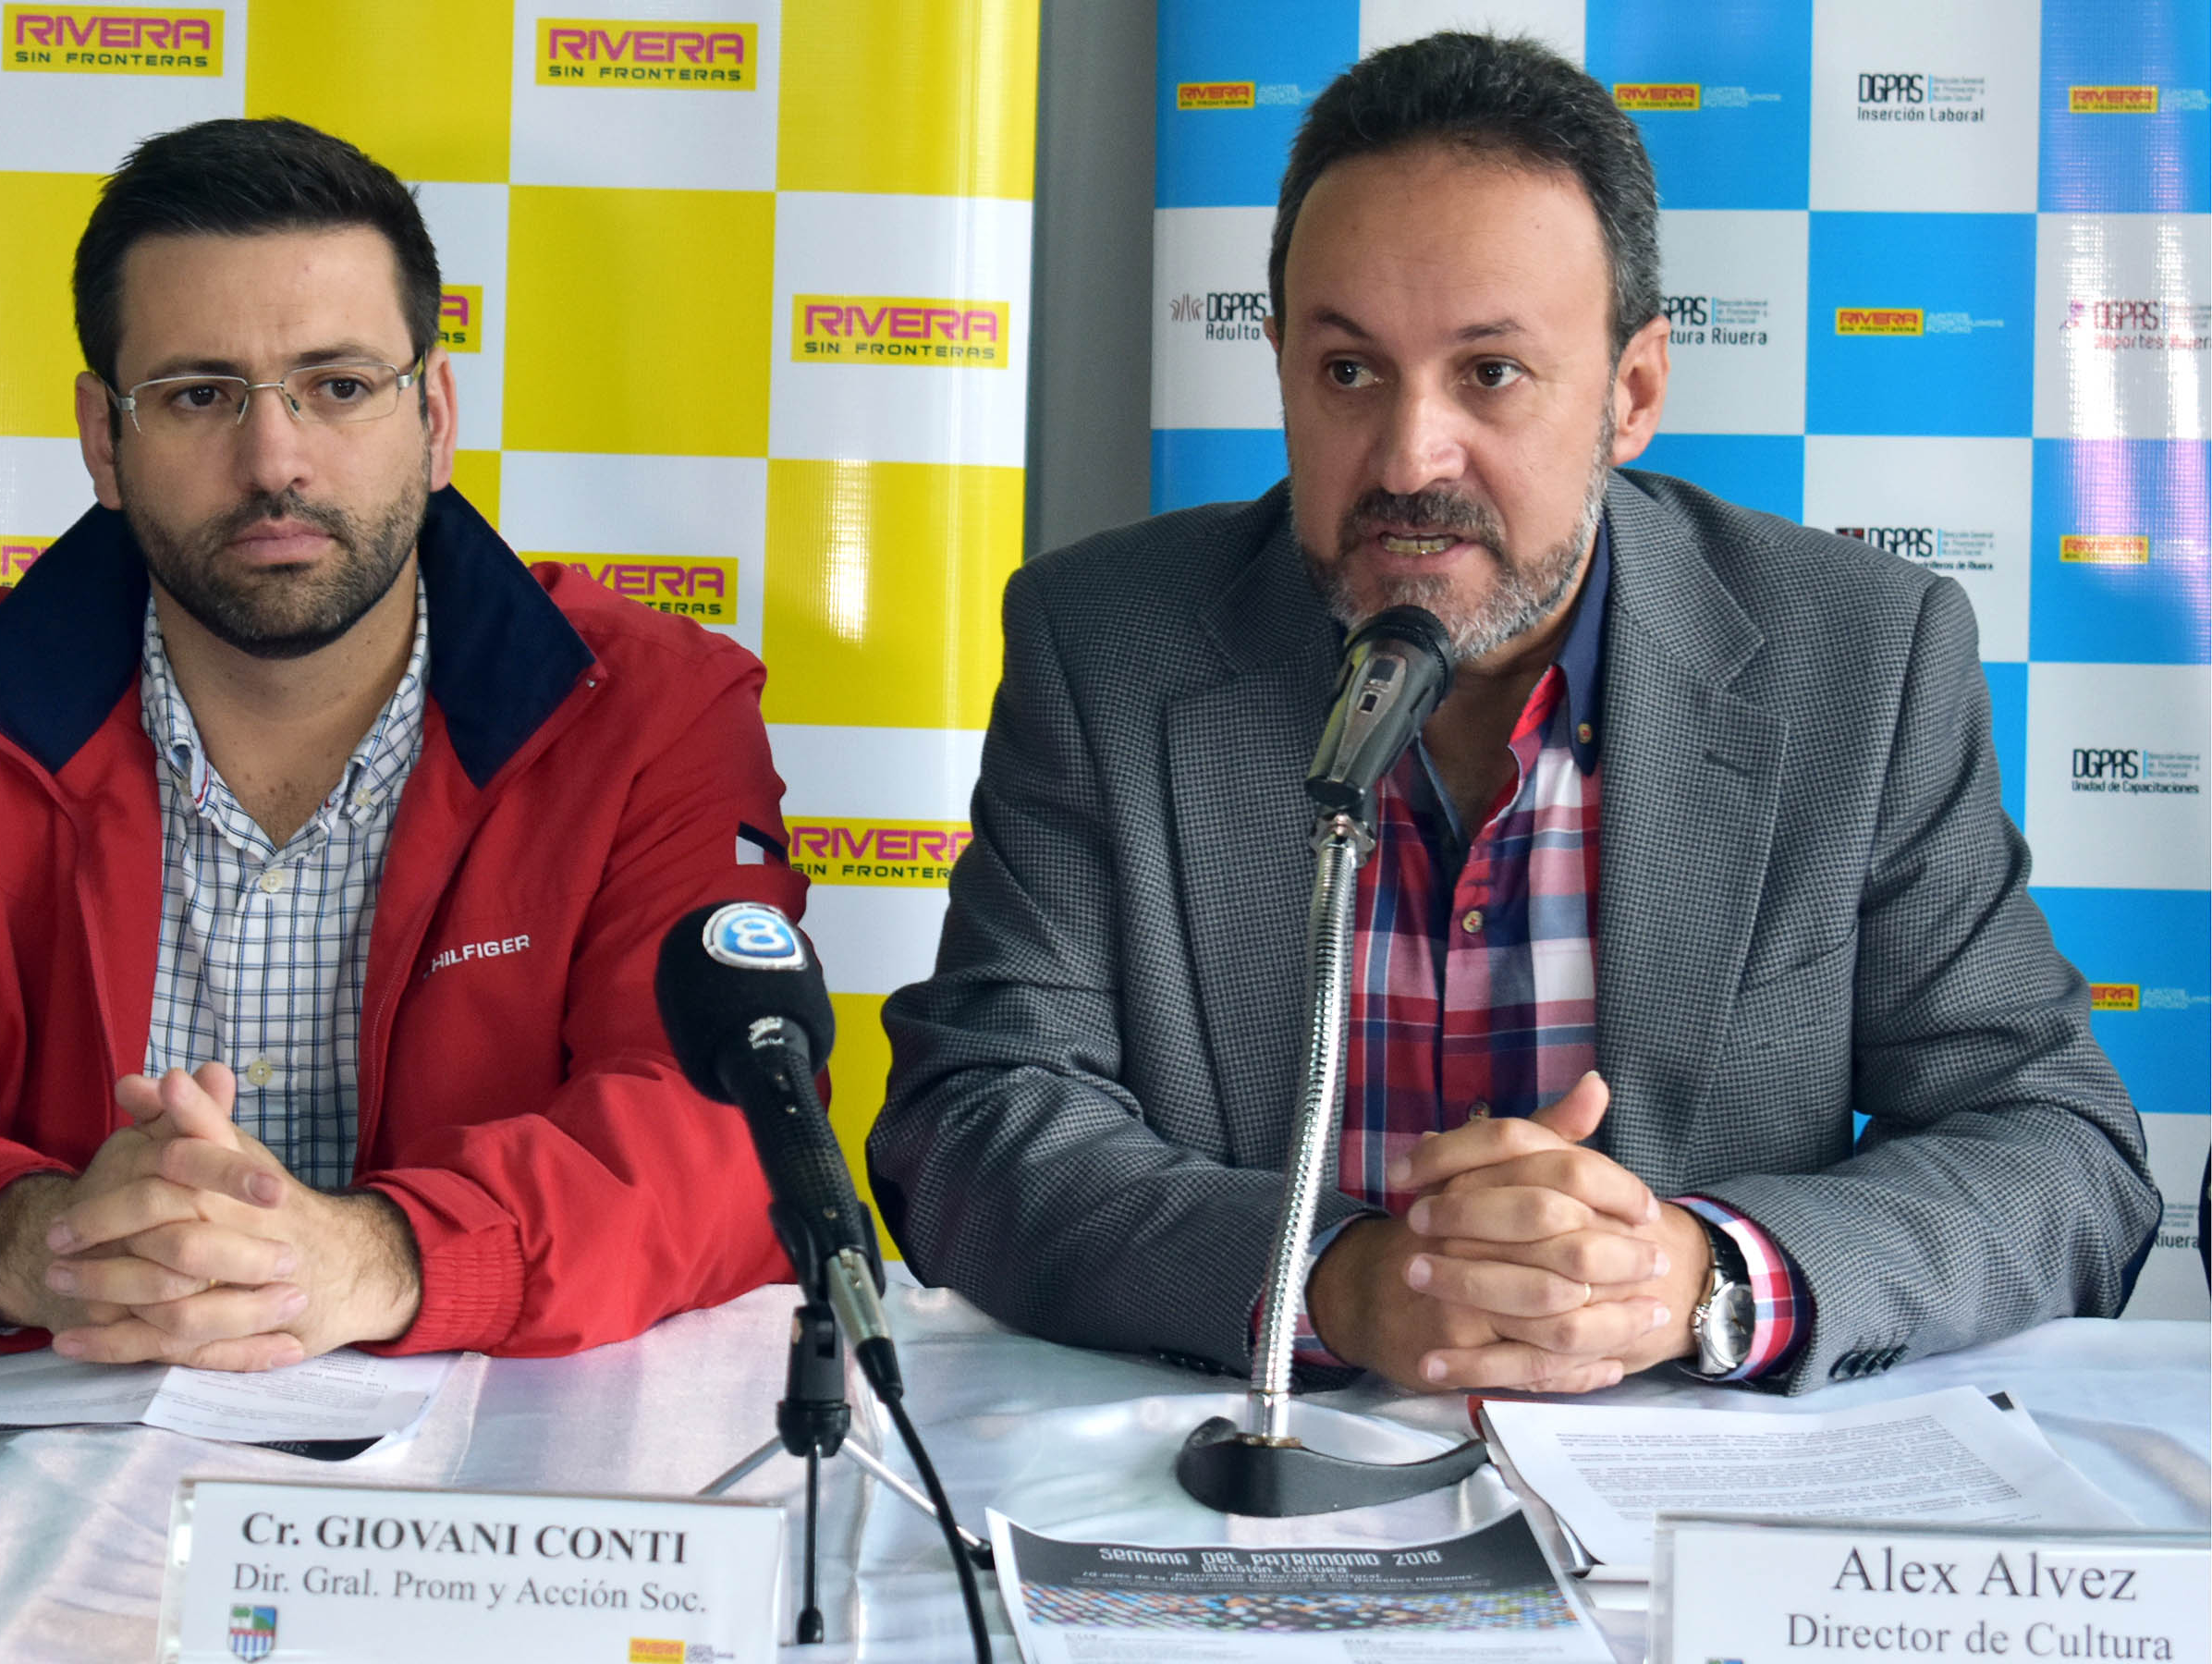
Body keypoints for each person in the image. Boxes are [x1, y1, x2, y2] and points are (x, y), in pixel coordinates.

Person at [868, 34, 2158, 1396]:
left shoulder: (1856, 661)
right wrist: (1331, 1280)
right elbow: (973, 1121)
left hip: (1683, 1479)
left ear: (1631, 393)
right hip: (1254, 1455)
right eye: (1350, 372)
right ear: (1281, 365)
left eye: (1489, 372)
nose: (1410, 457)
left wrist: (1697, 1274)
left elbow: (2057, 1150)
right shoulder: (1105, 646)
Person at [0, 117, 805, 1370]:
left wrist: (373, 1259)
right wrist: (50, 1242)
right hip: (62, 1440)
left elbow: (727, 1131)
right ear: (105, 440)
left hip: (495, 1463)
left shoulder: (649, 713)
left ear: (435, 416)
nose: (275, 462)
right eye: (199, 396)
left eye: (339, 387)